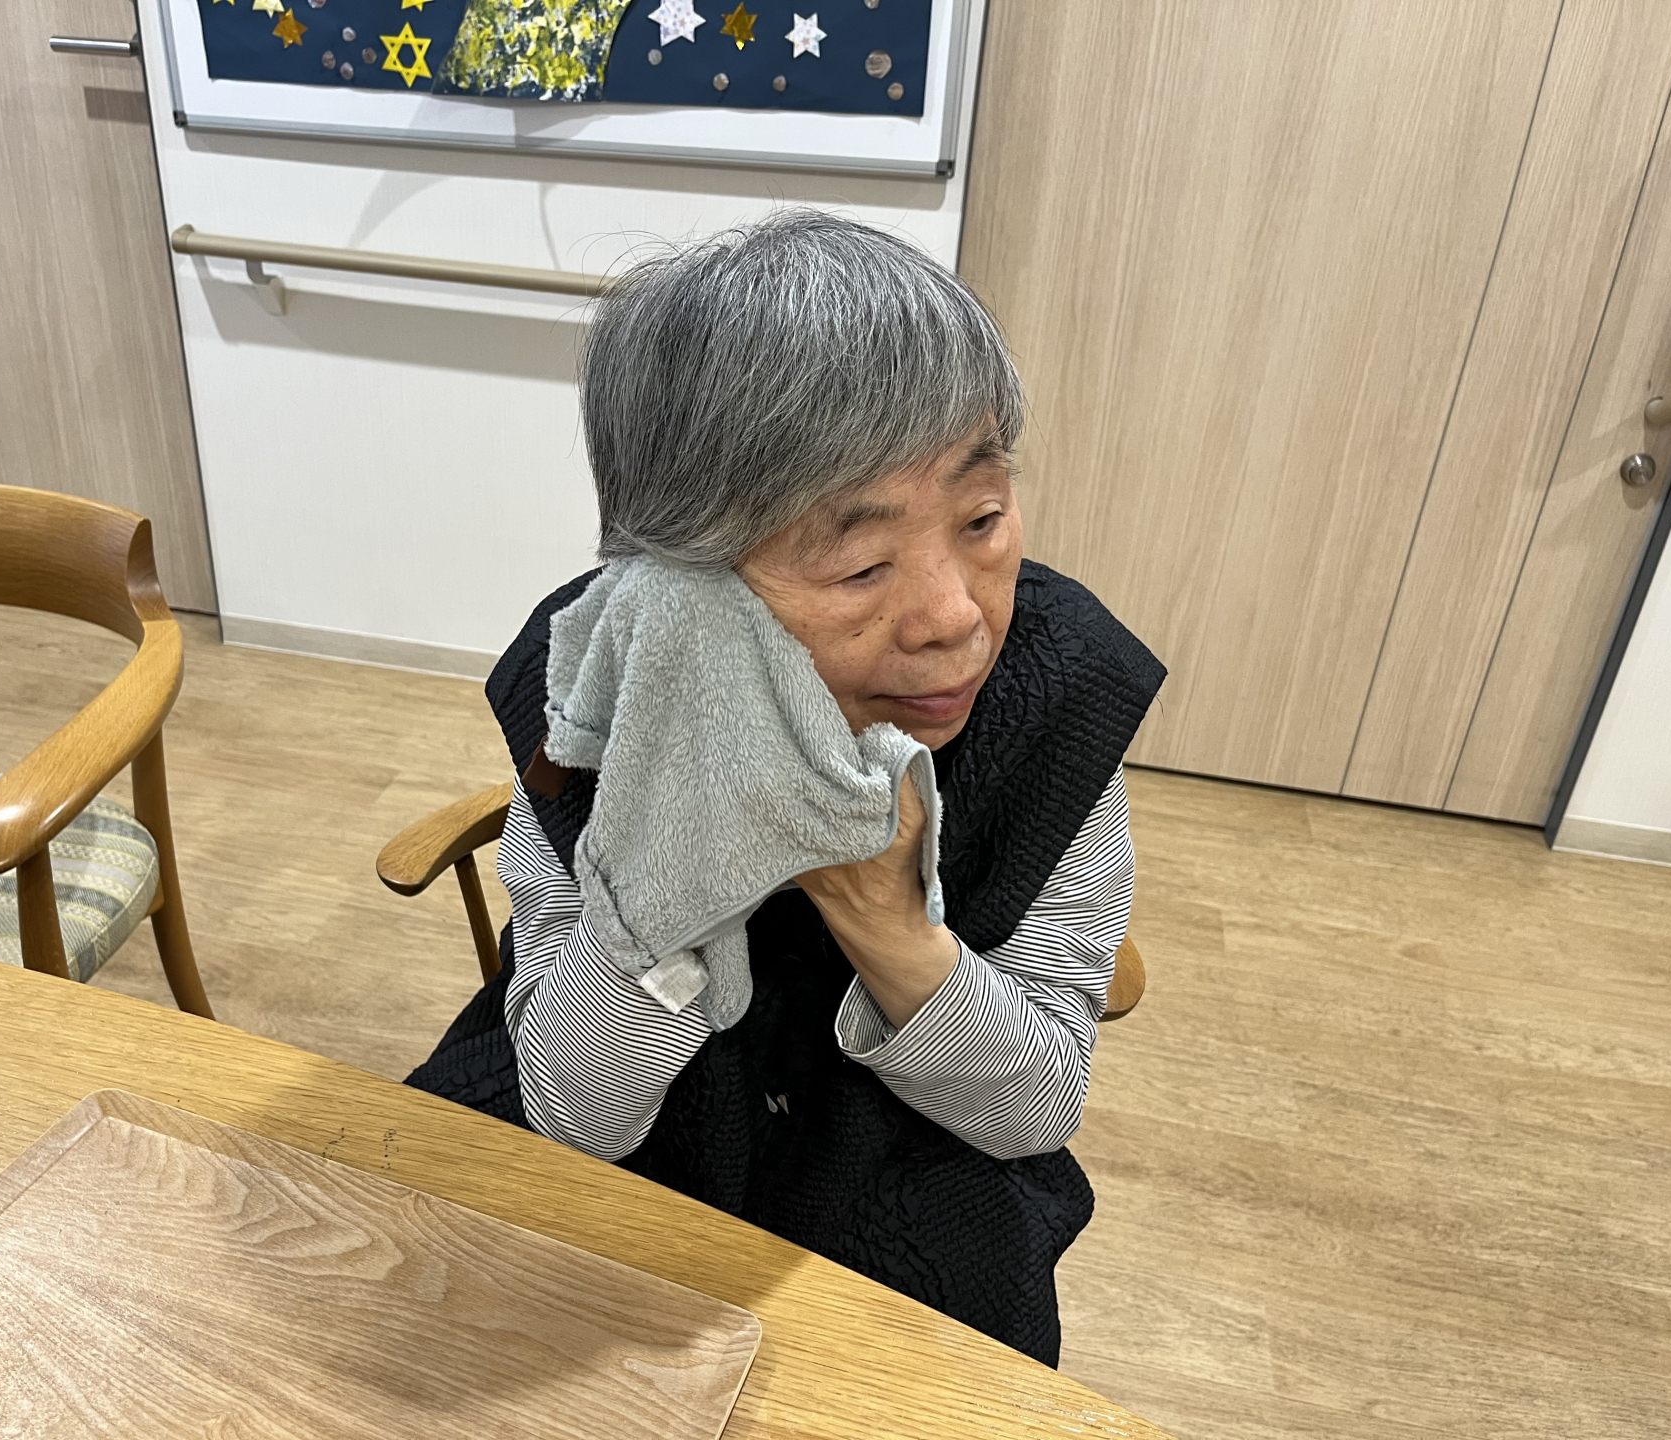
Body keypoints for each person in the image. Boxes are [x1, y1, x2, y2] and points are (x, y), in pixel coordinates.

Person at [409, 209, 1164, 1367]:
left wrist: (885, 918)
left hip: (913, 1188)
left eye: (981, 518)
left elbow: (1034, 1107)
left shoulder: (1057, 703)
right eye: (860, 566)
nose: (955, 616)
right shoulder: (595, 695)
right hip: (639, 1181)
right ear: (678, 592)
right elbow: (571, 1111)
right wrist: (669, 871)